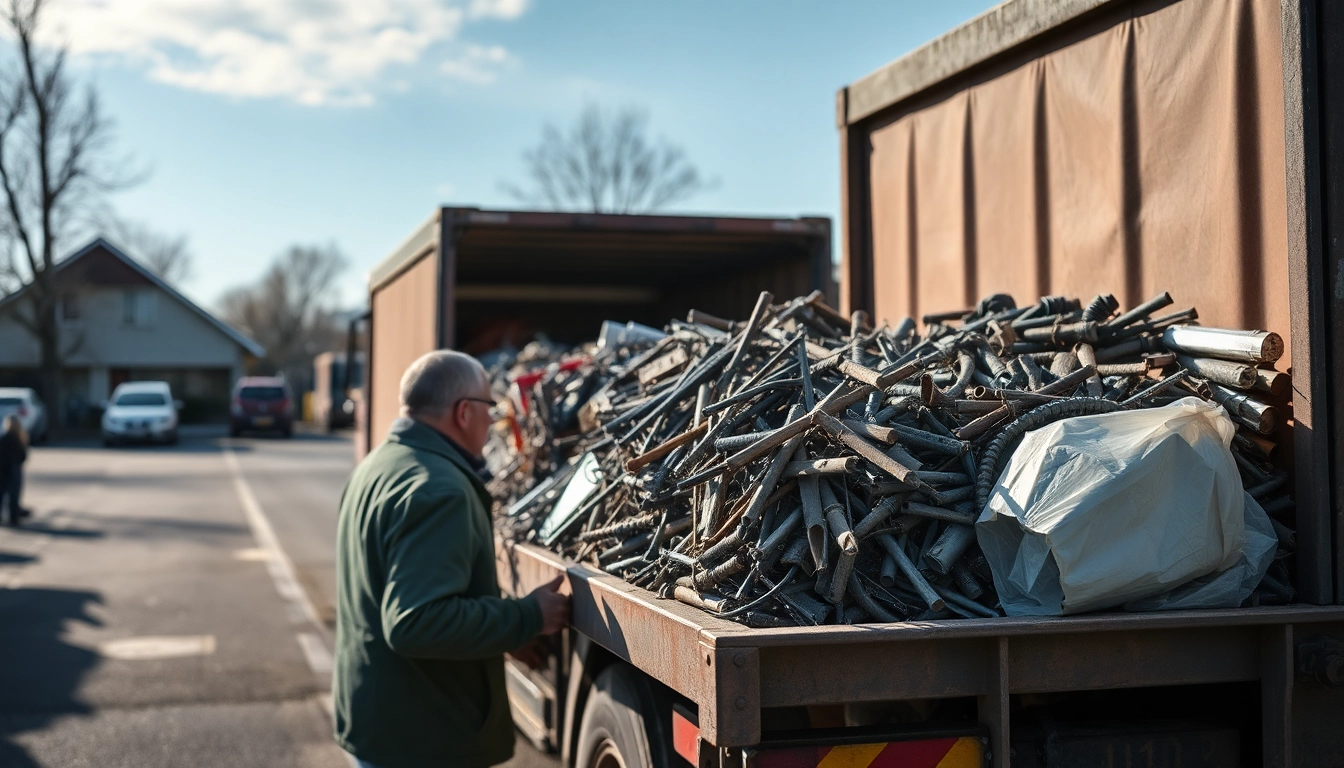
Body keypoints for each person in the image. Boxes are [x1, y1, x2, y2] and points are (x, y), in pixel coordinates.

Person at [334, 350, 570, 768]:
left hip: (383, 722)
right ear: (464, 412)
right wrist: (526, 618)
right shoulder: (439, 490)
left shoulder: (376, 466)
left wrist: (501, 636)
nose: (493, 420)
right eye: (489, 408)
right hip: (423, 740)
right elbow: (415, 622)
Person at [0, 415, 27, 526]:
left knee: (1, 494)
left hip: (2, 470)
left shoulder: (4, 438)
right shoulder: (19, 438)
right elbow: (23, 456)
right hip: (15, 469)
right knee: (14, 495)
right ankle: (13, 518)